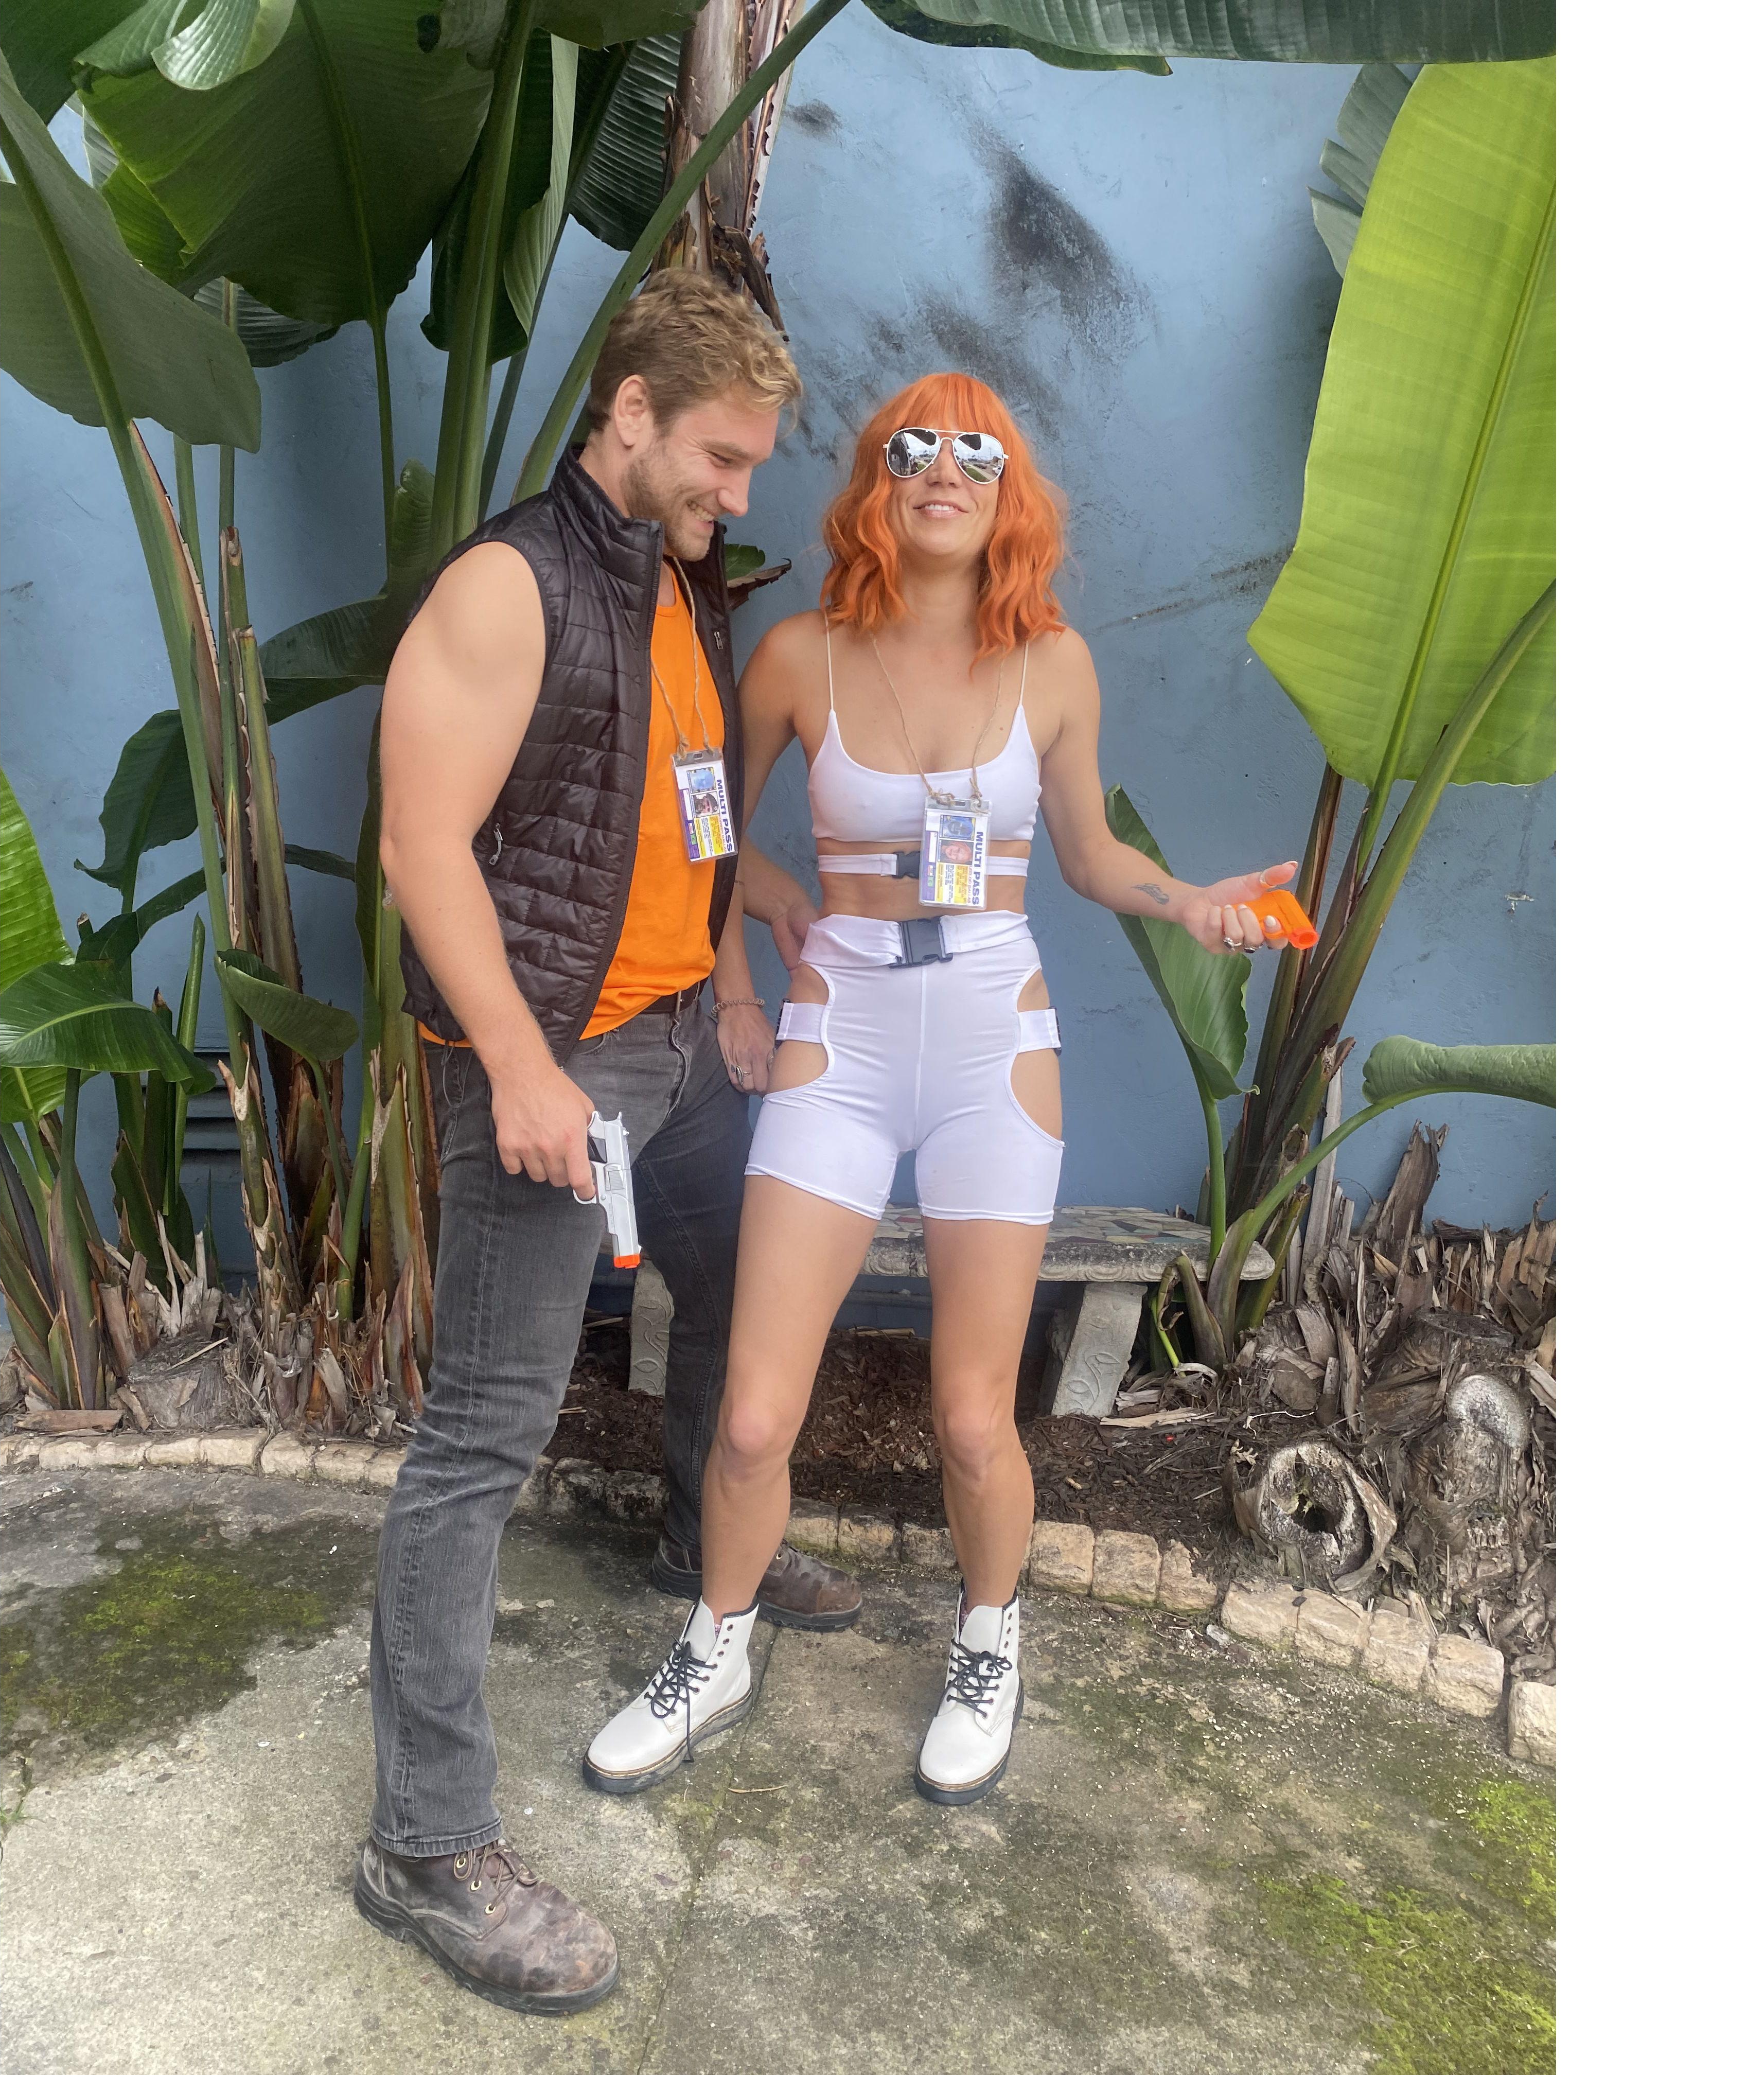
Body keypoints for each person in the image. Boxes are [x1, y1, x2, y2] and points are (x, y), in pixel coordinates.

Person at [585, 373, 1298, 1807]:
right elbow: (707, 835)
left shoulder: (1056, 667)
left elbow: (1089, 857)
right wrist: (740, 981)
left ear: (1008, 491)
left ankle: (989, 1640)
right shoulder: (795, 656)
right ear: (879, 479)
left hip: (992, 1045)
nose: (946, 468)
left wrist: (1190, 901)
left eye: (980, 450)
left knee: (974, 1419)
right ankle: (715, 1648)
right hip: (837, 1042)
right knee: (751, 1418)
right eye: (915, 446)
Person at [358, 272, 859, 2017]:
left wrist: (751, 915)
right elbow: (424, 844)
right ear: (630, 413)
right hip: (556, 1065)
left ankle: (691, 1536)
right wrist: (517, 1069)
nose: (742, 491)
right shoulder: (511, 587)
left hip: (680, 1042)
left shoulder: (674, 583)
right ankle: (426, 1842)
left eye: (754, 464)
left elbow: (670, 811)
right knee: (480, 1439)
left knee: (735, 1278)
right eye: (721, 456)